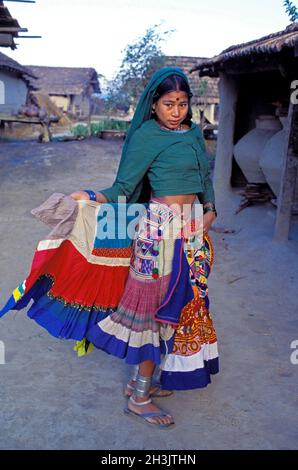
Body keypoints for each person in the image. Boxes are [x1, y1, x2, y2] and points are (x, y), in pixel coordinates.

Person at [70, 67, 219, 428]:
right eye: (169, 103)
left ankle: (147, 380)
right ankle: (139, 396)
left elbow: (204, 178)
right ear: (153, 105)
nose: (176, 111)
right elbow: (123, 187)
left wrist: (211, 211)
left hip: (194, 231)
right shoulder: (146, 137)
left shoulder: (194, 134)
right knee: (154, 309)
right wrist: (90, 196)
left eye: (183, 103)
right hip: (159, 233)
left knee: (181, 304)